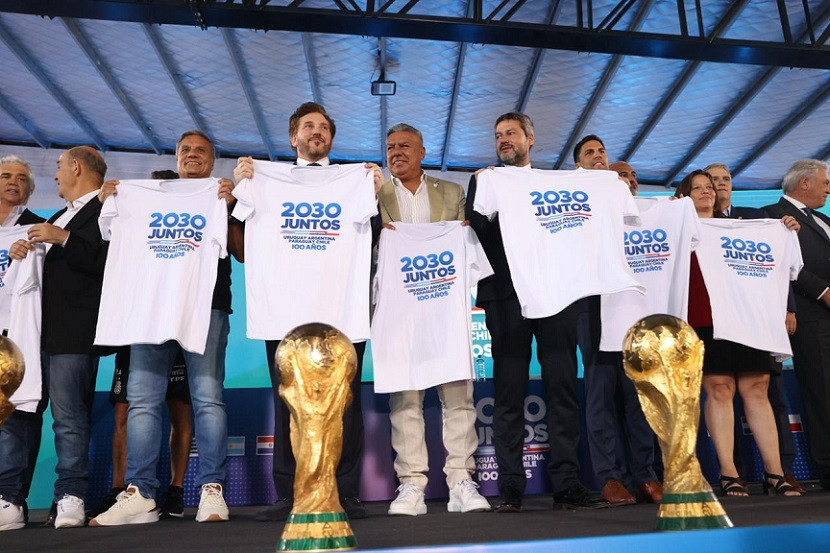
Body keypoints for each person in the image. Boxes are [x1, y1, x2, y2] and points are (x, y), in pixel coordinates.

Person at [233, 102, 383, 521]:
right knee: (288, 404)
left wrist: (374, 188)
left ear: (331, 138)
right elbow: (240, 228)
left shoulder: (354, 179)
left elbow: (373, 233)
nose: (317, 132)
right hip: (285, 315)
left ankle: (345, 492)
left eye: (323, 127)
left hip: (341, 311)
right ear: (293, 138)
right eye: (308, 126)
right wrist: (242, 184)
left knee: (345, 403)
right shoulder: (264, 178)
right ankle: (292, 493)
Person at [91, 130, 241, 526]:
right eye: (185, 149)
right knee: (142, 400)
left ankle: (211, 489)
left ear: (212, 161)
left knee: (208, 398)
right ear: (176, 158)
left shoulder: (219, 196)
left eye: (201, 151)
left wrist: (230, 205)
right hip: (151, 306)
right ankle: (140, 492)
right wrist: (110, 199)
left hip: (206, 305)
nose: (192, 155)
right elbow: (108, 232)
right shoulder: (141, 196)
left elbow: (240, 250)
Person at [466, 113, 607, 512]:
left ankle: (568, 484)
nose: (503, 140)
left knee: (563, 387)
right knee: (509, 391)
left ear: (531, 139)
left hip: (555, 294)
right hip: (505, 296)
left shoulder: (556, 184)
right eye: (498, 135)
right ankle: (511, 487)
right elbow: (476, 229)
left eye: (511, 133)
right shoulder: (487, 179)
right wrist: (486, 198)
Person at [375, 123, 490, 516]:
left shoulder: (453, 193)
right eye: (390, 147)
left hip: (445, 309)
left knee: (458, 396)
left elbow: (466, 248)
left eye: (405, 146)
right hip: (397, 311)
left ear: (423, 151)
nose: (396, 152)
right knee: (405, 397)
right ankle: (411, 484)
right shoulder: (375, 194)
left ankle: (461, 481)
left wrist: (464, 234)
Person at [676, 169, 799, 497]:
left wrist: (785, 229)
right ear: (684, 196)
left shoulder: (742, 226)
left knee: (757, 388)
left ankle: (775, 473)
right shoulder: (677, 230)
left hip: (746, 318)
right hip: (703, 319)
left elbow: (774, 260)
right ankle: (729, 472)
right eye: (697, 188)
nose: (706, 191)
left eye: (709, 187)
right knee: (720, 389)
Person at [9, 146, 109, 528]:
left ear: (76, 167)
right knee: (23, 415)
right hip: (37, 336)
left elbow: (109, 262)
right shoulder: (57, 215)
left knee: (69, 419)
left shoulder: (106, 209)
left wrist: (64, 238)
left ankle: (71, 496)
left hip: (74, 335)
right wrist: (23, 251)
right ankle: (11, 498)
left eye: (58, 167)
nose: (55, 175)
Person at [87, 168, 195, 520]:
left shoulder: (194, 211)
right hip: (139, 320)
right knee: (128, 409)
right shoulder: (131, 212)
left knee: (180, 409)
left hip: (180, 319)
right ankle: (123, 489)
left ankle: (175, 489)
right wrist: (108, 201)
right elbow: (104, 246)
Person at [574, 136, 662, 506]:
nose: (598, 156)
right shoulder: (576, 201)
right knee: (600, 397)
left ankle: (646, 476)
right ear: (579, 165)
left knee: (638, 396)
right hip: (592, 306)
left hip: (633, 308)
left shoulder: (641, 208)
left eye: (601, 151)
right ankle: (610, 477)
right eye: (589, 153)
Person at [764, 159, 830, 490]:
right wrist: (824, 292)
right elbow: (786, 265)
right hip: (810, 314)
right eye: (825, 182)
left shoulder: (824, 219)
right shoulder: (770, 215)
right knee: (822, 393)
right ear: (804, 184)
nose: (828, 189)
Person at [0, 155, 46, 532]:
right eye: (5, 176)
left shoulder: (36, 229)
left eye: (20, 178)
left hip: (16, 340)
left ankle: (11, 498)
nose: (12, 182)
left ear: (30, 190)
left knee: (16, 418)